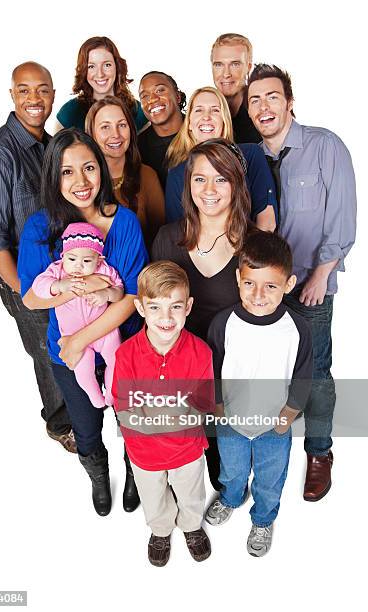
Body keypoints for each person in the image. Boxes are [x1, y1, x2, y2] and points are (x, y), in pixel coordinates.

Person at [18, 128, 149, 516]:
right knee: (87, 428)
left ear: (102, 170)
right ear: (53, 178)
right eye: (67, 172)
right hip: (68, 359)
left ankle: (133, 473)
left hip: (121, 349)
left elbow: (131, 297)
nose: (81, 182)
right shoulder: (40, 228)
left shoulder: (123, 222)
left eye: (89, 168)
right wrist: (80, 285)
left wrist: (81, 340)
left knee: (131, 421)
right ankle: (98, 475)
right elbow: (30, 296)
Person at [247, 63, 357, 501]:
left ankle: (320, 452)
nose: (263, 106)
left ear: (289, 102)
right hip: (264, 290)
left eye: (272, 96)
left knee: (315, 371)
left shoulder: (324, 146)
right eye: (255, 100)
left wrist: (321, 274)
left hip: (311, 285)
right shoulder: (251, 157)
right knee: (270, 372)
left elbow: (343, 218)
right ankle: (271, 451)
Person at [0, 61, 76, 453]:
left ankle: (80, 409)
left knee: (65, 345)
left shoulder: (48, 147)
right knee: (46, 352)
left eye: (43, 89)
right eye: (25, 90)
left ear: (52, 94)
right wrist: (27, 292)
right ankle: (61, 422)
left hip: (60, 272)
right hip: (24, 278)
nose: (35, 98)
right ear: (12, 95)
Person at [152, 139, 252, 490]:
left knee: (229, 461)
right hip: (182, 372)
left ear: (237, 183)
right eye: (199, 179)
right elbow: (156, 311)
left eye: (220, 179)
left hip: (235, 373)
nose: (209, 189)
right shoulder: (167, 239)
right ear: (188, 183)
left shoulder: (254, 244)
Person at [206, 231, 313, 556]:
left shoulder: (297, 329)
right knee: (232, 469)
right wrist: (219, 407)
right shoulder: (223, 323)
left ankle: (264, 518)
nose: (259, 294)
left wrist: (289, 415)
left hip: (273, 427)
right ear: (239, 278)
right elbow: (211, 368)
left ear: (289, 284)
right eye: (250, 283)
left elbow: (303, 376)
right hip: (232, 422)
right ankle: (231, 497)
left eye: (271, 286)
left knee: (270, 478)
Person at [113, 261, 214, 567]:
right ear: (140, 308)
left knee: (191, 494)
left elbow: (202, 405)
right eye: (155, 307)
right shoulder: (126, 354)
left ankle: (192, 526)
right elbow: (124, 406)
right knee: (153, 498)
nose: (166, 318)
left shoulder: (201, 352)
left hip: (188, 449)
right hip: (144, 453)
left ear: (189, 307)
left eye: (175, 306)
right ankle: (160, 530)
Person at [32, 222, 123, 408]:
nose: (78, 266)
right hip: (73, 336)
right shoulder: (57, 271)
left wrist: (106, 294)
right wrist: (58, 286)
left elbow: (119, 290)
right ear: (63, 256)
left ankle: (112, 392)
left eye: (87, 261)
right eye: (72, 259)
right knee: (83, 368)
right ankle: (95, 396)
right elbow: (38, 287)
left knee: (116, 359)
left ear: (98, 259)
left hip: (104, 332)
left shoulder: (104, 270)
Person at [165, 86, 277, 230]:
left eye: (215, 110)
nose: (206, 116)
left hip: (252, 249)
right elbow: (179, 233)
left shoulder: (251, 155)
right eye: (199, 110)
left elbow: (267, 222)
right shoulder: (177, 174)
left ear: (224, 121)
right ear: (189, 124)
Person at [85, 96, 165, 248]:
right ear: (92, 134)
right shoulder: (82, 180)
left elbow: (159, 239)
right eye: (105, 127)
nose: (116, 134)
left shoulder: (147, 176)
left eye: (122, 125)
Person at [55, 36, 147, 133]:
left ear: (117, 66)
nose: (100, 74)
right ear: (84, 71)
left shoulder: (138, 111)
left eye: (107, 65)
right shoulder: (69, 113)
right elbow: (56, 147)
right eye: (91, 66)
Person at [137, 71, 186, 189]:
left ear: (178, 96)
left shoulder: (201, 131)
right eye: (145, 96)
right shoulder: (137, 148)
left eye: (160, 90)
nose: (152, 99)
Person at [211, 32, 260, 144]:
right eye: (219, 65)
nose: (226, 74)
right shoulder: (202, 108)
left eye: (235, 64)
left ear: (248, 67)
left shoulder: (263, 107)